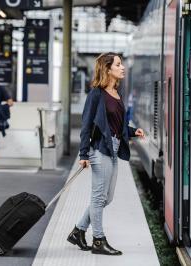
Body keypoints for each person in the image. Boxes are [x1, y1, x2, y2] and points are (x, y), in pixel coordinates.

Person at [67, 53, 145, 255]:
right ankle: (99, 240)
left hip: (114, 148)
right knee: (98, 197)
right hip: (100, 150)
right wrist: (83, 154)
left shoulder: (117, 94)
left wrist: (132, 131)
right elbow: (86, 126)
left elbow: (117, 126)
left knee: (106, 198)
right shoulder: (96, 94)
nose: (123, 67)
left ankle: (78, 231)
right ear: (107, 69)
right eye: (118, 64)